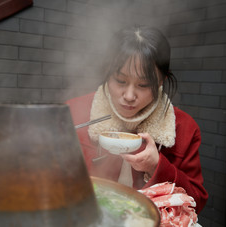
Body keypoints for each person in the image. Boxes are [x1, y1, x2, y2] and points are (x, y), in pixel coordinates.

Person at [66, 25, 208, 213]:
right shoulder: (74, 112)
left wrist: (157, 166)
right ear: (107, 73)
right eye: (120, 81)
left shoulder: (184, 128)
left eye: (143, 84)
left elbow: (195, 203)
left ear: (161, 81)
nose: (129, 95)